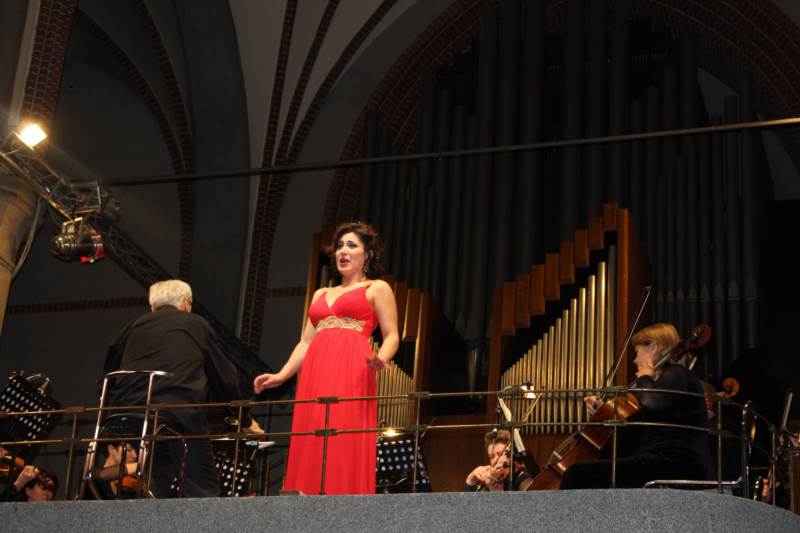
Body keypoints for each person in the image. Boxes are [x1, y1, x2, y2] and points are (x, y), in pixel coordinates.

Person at [254, 222, 399, 495]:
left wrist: (382, 357)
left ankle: (341, 499)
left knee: (342, 430)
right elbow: (306, 341)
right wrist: (282, 375)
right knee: (313, 429)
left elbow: (392, 335)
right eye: (340, 246)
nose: (343, 251)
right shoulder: (321, 293)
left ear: (367, 254)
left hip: (352, 367)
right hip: (316, 370)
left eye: (351, 245)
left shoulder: (377, 288)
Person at [103, 279, 262, 498]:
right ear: (187, 303)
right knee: (202, 489)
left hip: (132, 415)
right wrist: (244, 419)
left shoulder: (131, 327)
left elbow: (109, 373)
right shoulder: (195, 324)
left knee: (158, 479)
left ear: (153, 306)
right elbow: (225, 377)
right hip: (180, 415)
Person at [560, 323, 712, 489]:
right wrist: (603, 411)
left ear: (653, 347)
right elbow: (638, 426)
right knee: (585, 472)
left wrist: (645, 376)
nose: (634, 359)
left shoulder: (677, 373)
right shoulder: (658, 385)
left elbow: (652, 402)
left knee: (577, 474)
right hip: (660, 461)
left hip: (679, 463)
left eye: (637, 352)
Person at [464, 430, 536, 491]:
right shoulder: (488, 481)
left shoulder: (524, 481)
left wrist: (498, 494)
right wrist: (470, 480)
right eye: (491, 456)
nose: (495, 460)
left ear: (512, 454)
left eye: (500, 454)